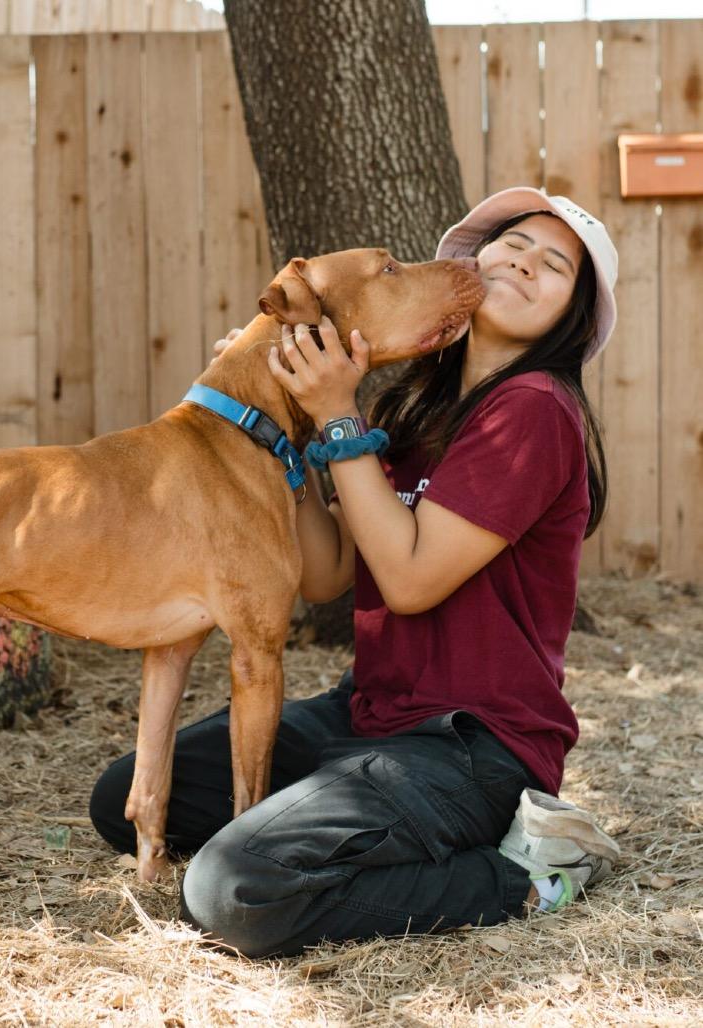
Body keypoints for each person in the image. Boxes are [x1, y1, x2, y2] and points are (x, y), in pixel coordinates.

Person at [89, 186, 621, 958]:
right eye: (514, 243)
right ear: (474, 262)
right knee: (125, 801)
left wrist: (340, 416)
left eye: (556, 265)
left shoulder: (534, 409)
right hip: (365, 716)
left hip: (468, 748)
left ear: (570, 319)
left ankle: (527, 877)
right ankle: (370, 840)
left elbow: (407, 580)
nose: (525, 262)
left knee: (230, 890)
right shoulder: (417, 409)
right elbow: (329, 573)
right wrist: (279, 419)